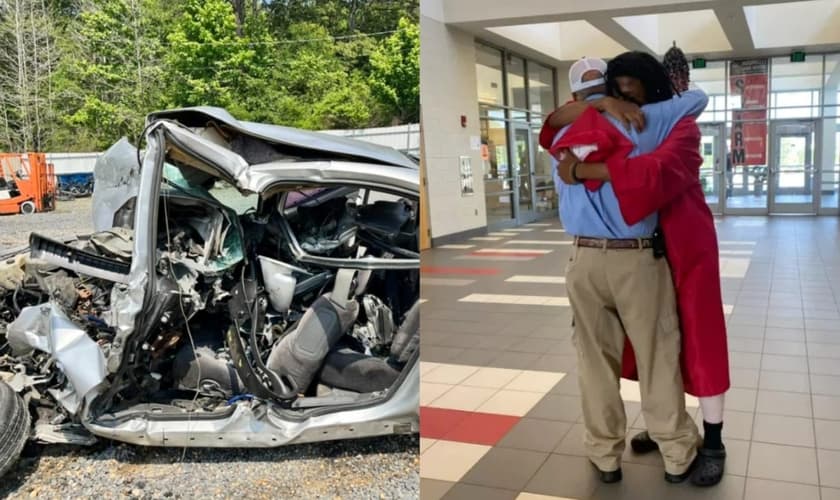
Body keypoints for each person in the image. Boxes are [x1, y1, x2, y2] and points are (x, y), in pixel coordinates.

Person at [546, 51, 729, 487]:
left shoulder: (560, 133)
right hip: (637, 256)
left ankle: (604, 455)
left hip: (582, 259)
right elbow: (697, 99)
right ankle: (677, 452)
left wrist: (580, 161)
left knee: (593, 363)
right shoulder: (646, 122)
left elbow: (554, 119)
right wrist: (613, 109)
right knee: (658, 356)